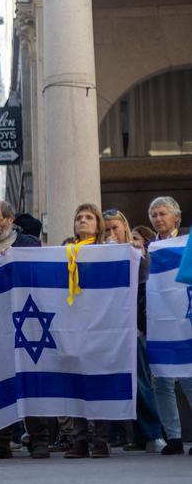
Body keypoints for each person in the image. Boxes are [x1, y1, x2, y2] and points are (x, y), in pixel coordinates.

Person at [0, 202, 50, 460]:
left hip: (26, 320)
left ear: (10, 219)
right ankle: (0, 440)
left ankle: (39, 439)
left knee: (31, 377)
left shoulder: (28, 243)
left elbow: (39, 274)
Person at [102, 209, 164, 453]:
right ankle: (134, 435)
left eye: (115, 228)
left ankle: (153, 433)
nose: (112, 233)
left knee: (139, 382)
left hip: (131, 327)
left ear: (125, 228)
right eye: (106, 229)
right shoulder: (98, 253)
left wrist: (135, 256)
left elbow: (145, 283)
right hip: (105, 327)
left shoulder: (136, 251)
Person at [64, 203, 111, 458]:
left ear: (98, 224)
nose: (83, 221)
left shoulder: (107, 251)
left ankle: (101, 440)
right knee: (76, 382)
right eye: (79, 217)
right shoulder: (65, 251)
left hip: (100, 325)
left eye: (88, 217)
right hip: (73, 325)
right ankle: (80, 441)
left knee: (99, 381)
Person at [146, 196, 192, 455]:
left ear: (177, 217)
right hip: (158, 322)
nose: (157, 218)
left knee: (189, 377)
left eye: (162, 213)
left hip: (184, 319)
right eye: (153, 214)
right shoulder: (150, 247)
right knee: (161, 380)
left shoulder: (188, 244)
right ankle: (173, 437)